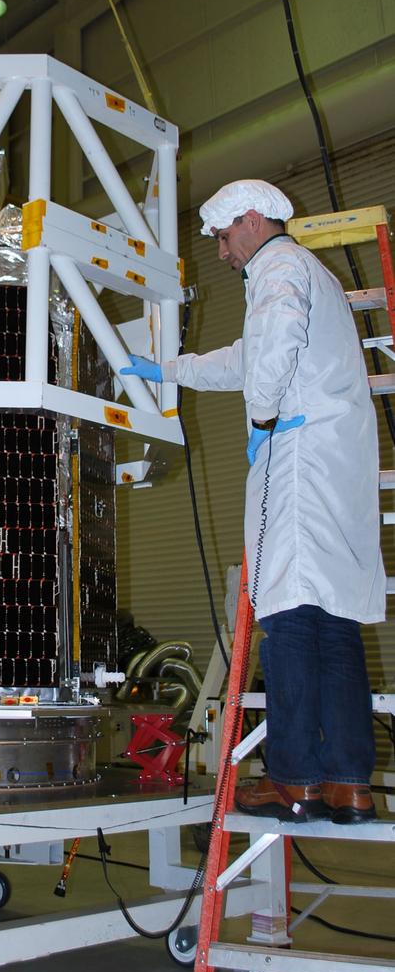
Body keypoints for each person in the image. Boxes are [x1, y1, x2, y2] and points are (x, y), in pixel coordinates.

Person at [122, 179, 384, 825]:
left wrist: (263, 420)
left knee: (289, 618)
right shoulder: (306, 273)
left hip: (298, 460)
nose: (219, 253)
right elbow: (247, 356)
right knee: (331, 619)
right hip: (333, 458)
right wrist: (170, 369)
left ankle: (292, 777)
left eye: (218, 236)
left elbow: (270, 345)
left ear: (245, 219)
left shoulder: (280, 267)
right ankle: (348, 782)